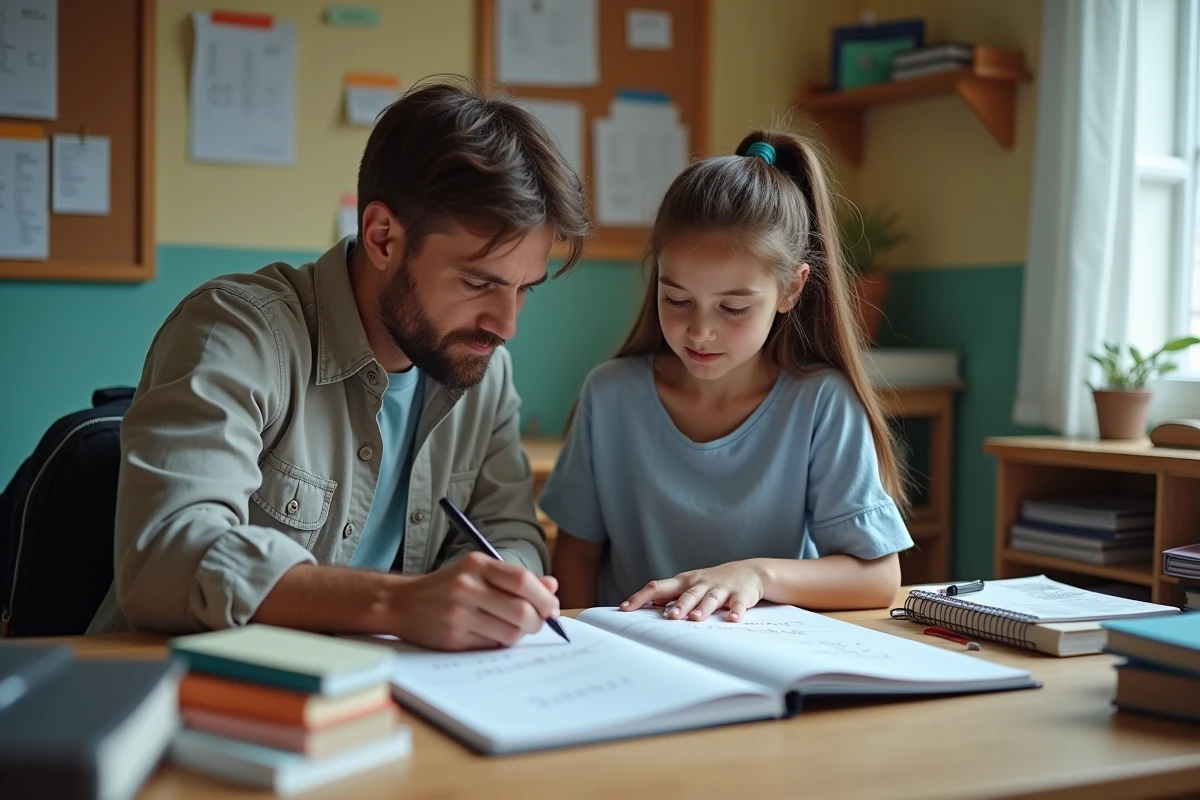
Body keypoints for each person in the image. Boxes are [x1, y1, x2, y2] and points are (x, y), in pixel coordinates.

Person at [86, 78, 590, 651]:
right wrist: (399, 603)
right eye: (478, 283)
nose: (506, 325)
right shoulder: (237, 332)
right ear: (382, 237)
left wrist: (504, 588)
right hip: (174, 691)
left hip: (374, 695)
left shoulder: (482, 370)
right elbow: (168, 557)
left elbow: (508, 530)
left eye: (526, 289)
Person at [540, 131, 913, 622]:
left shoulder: (822, 403)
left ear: (791, 289)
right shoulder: (610, 394)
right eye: (676, 299)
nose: (700, 331)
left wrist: (758, 575)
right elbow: (576, 557)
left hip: (761, 664)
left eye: (733, 308)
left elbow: (880, 578)